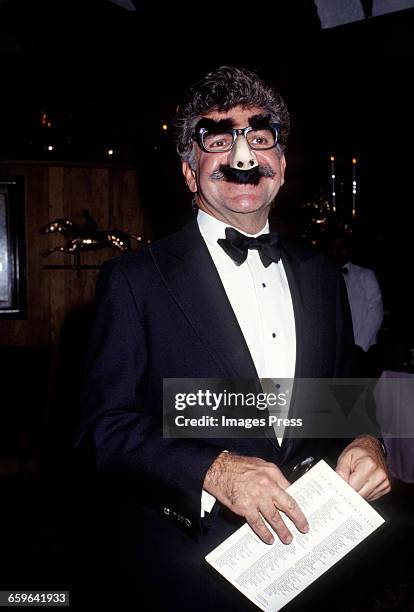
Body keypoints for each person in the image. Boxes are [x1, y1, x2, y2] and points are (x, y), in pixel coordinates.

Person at [74, 66, 390, 611]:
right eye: (219, 139)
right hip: (186, 576)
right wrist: (213, 470)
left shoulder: (319, 275)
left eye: (259, 137)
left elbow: (340, 401)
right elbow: (102, 430)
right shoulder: (134, 280)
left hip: (313, 565)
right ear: (190, 172)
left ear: (282, 166)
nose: (243, 156)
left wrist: (366, 441)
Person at [330, 234, 384, 376]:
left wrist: (359, 345)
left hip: (362, 349)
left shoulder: (366, 275)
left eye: (342, 247)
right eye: (335, 247)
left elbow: (376, 312)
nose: (339, 251)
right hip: (334, 352)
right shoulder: (325, 277)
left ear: (348, 250)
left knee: (360, 394)